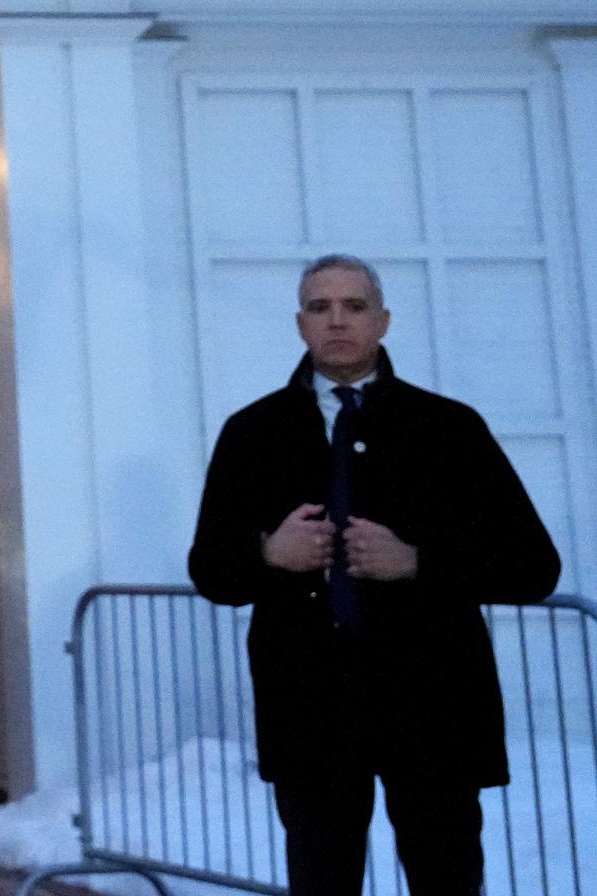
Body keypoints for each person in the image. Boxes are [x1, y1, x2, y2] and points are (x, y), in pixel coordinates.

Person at [188, 253, 559, 896]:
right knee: (321, 877)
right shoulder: (254, 433)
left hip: (432, 702)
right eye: (319, 307)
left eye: (354, 306)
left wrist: (418, 561)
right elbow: (211, 570)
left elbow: (533, 566)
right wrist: (267, 554)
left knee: (446, 875)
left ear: (383, 321)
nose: (337, 321)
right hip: (310, 707)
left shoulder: (448, 428)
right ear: (300, 324)